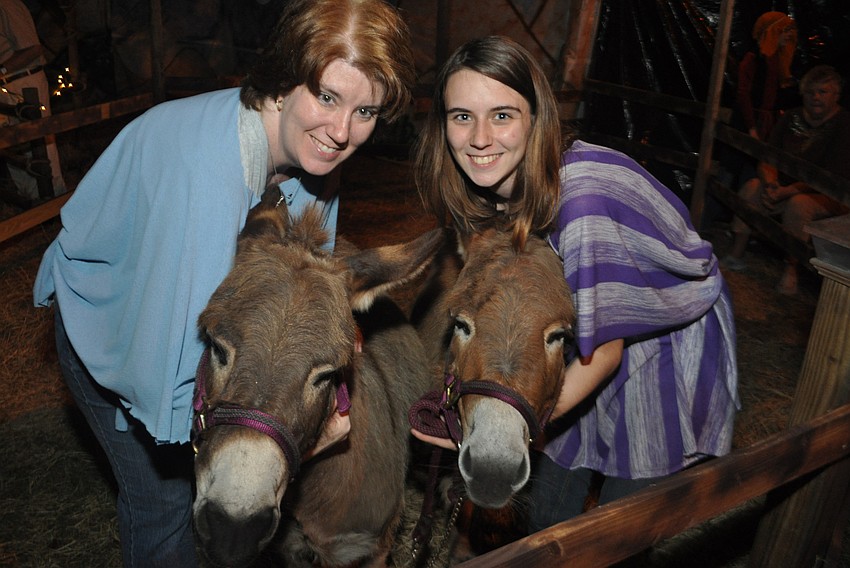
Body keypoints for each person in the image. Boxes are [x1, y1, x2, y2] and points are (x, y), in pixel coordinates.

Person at [32, 0, 414, 566]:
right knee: (166, 500)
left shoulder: (313, 161)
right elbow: (173, 384)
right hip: (114, 313)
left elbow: (314, 292)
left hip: (186, 308)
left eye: (365, 112)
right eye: (327, 97)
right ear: (285, 82)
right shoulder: (205, 181)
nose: (341, 131)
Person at [411, 36, 739, 532]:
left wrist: (512, 425)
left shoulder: (579, 201)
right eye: (462, 116)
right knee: (549, 511)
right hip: (572, 332)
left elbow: (605, 354)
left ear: (536, 118)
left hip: (662, 345)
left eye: (502, 115)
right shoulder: (498, 190)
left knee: (620, 525)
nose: (479, 138)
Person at [723, 65, 850, 296]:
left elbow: (833, 176)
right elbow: (768, 155)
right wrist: (770, 182)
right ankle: (736, 253)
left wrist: (788, 191)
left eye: (823, 92)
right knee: (752, 188)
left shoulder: (844, 125)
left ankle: (791, 267)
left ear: (836, 95)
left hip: (828, 195)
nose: (816, 97)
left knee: (799, 205)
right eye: (811, 92)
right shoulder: (790, 117)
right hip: (785, 186)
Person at [0, 0, 65, 200]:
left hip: (23, 81)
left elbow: (32, 49)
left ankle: (51, 201)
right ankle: (29, 201)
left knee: (38, 143)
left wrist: (2, 70)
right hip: (5, 84)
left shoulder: (7, 5)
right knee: (12, 143)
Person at [736, 11, 798, 142]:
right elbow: (743, 94)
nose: (789, 35)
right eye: (785, 30)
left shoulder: (778, 60)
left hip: (767, 123)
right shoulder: (753, 59)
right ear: (774, 31)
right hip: (750, 123)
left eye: (790, 31)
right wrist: (751, 127)